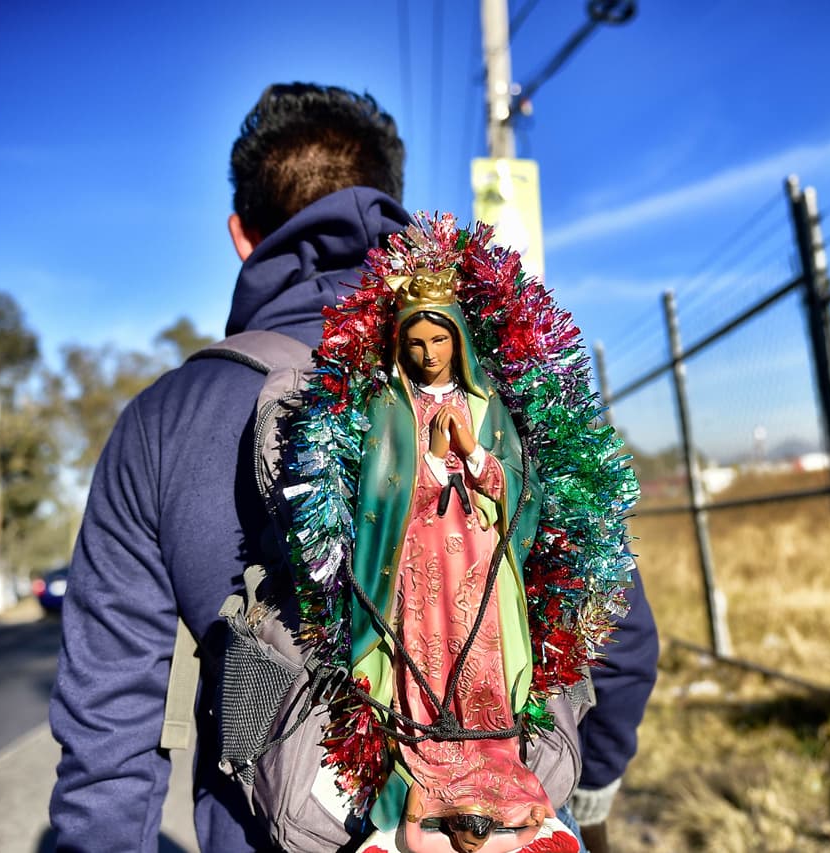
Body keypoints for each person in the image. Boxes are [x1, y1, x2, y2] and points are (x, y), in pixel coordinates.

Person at [49, 82, 658, 853]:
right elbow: (622, 636)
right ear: (393, 206)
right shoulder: (510, 384)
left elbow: (107, 741)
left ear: (243, 234)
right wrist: (586, 797)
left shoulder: (164, 423)